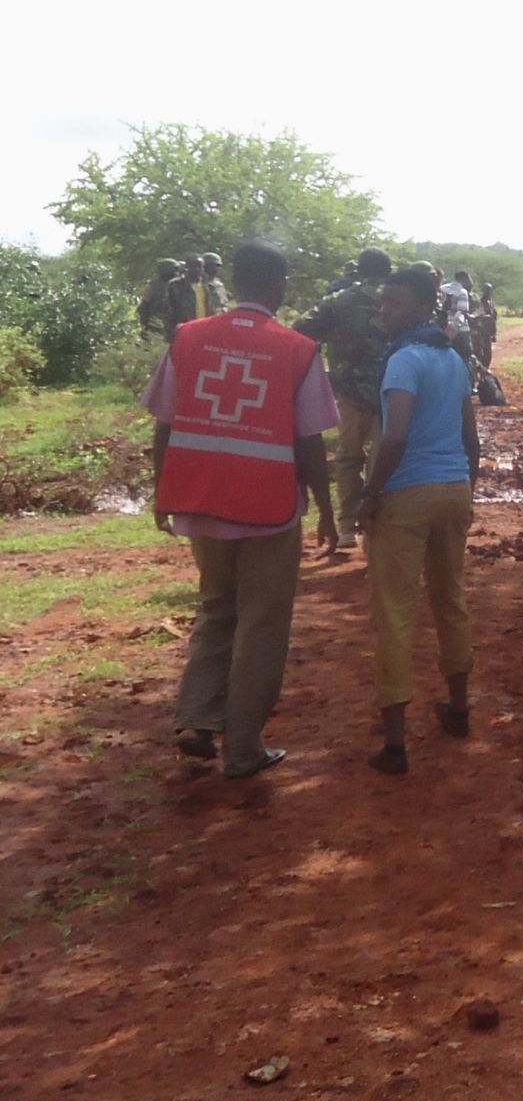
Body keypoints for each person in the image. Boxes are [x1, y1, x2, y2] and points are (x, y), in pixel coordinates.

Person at [144, 241, 338, 778]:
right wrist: (326, 509)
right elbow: (310, 443)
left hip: (202, 501)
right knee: (262, 624)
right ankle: (244, 749)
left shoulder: (188, 337)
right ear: (279, 287)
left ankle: (197, 720)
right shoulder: (298, 349)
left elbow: (164, 422)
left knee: (216, 608)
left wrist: (164, 492)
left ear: (233, 279)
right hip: (268, 508)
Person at [360, 266, 480, 776]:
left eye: (394, 304)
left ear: (419, 309)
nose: (384, 311)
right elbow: (471, 437)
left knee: (395, 612)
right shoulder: (453, 359)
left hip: (406, 494)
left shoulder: (402, 362)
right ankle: (459, 708)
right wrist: (466, 485)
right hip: (453, 489)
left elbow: (395, 436)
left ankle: (394, 744)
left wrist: (370, 493)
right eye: (383, 302)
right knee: (450, 599)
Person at [296, 248, 394, 549]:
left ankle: (348, 527)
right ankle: (380, 527)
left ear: (359, 270)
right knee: (387, 459)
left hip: (350, 391)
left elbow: (302, 331)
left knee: (349, 458)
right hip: (395, 392)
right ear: (388, 270)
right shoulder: (399, 300)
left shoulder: (338, 301)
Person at [137, 259, 181, 338]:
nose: (177, 273)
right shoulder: (153, 286)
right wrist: (146, 324)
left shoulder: (177, 285)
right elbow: (144, 307)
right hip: (156, 324)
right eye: (175, 270)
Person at [440, 269, 475, 365]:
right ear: (463, 279)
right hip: (459, 331)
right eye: (468, 278)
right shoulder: (462, 292)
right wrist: (452, 330)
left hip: (441, 327)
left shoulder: (442, 288)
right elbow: (462, 313)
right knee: (465, 357)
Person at [165, 255, 206, 331]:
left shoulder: (208, 286)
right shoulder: (176, 285)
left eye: (200, 266)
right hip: (185, 329)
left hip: (205, 329)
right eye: (193, 266)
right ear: (187, 267)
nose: (197, 269)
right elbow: (168, 310)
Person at [471, 283, 499, 368]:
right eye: (486, 289)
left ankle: (485, 370)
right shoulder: (480, 302)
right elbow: (478, 315)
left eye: (489, 290)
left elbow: (494, 318)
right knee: (480, 353)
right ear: (483, 291)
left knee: (488, 353)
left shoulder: (491, 302)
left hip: (488, 331)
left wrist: (494, 333)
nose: (488, 292)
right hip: (481, 331)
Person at [199, 252, 232, 318]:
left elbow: (224, 304)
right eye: (215, 265)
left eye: (219, 266)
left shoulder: (219, 284)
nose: (218, 268)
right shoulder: (199, 284)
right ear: (205, 266)